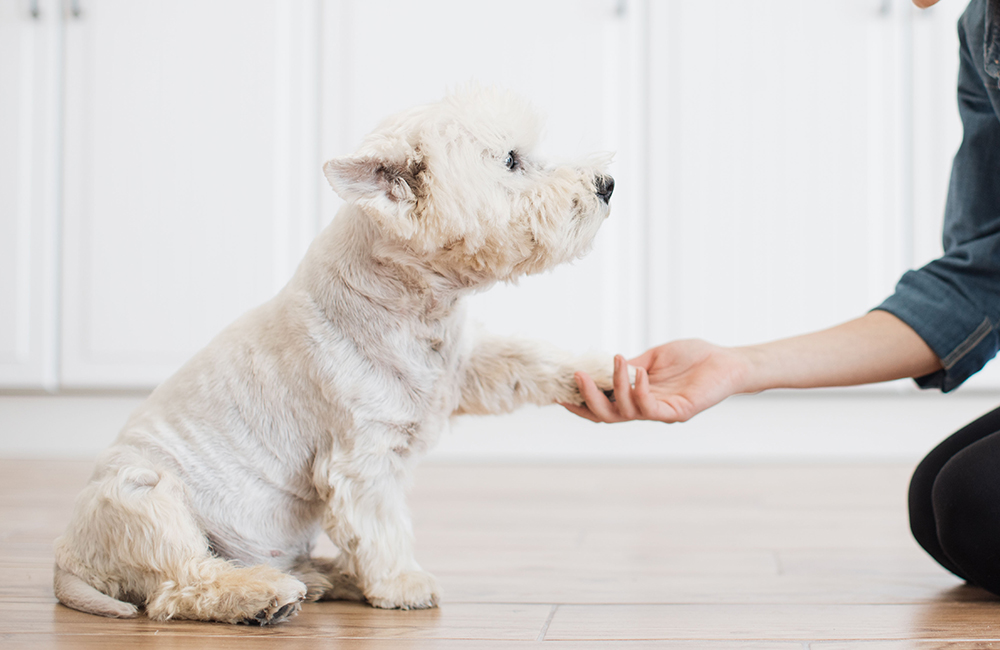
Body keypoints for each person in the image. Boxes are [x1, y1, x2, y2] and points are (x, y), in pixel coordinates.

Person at [564, 0, 1000, 596]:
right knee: (941, 505)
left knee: (978, 503)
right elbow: (981, 282)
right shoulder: (983, 28)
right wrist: (740, 366)